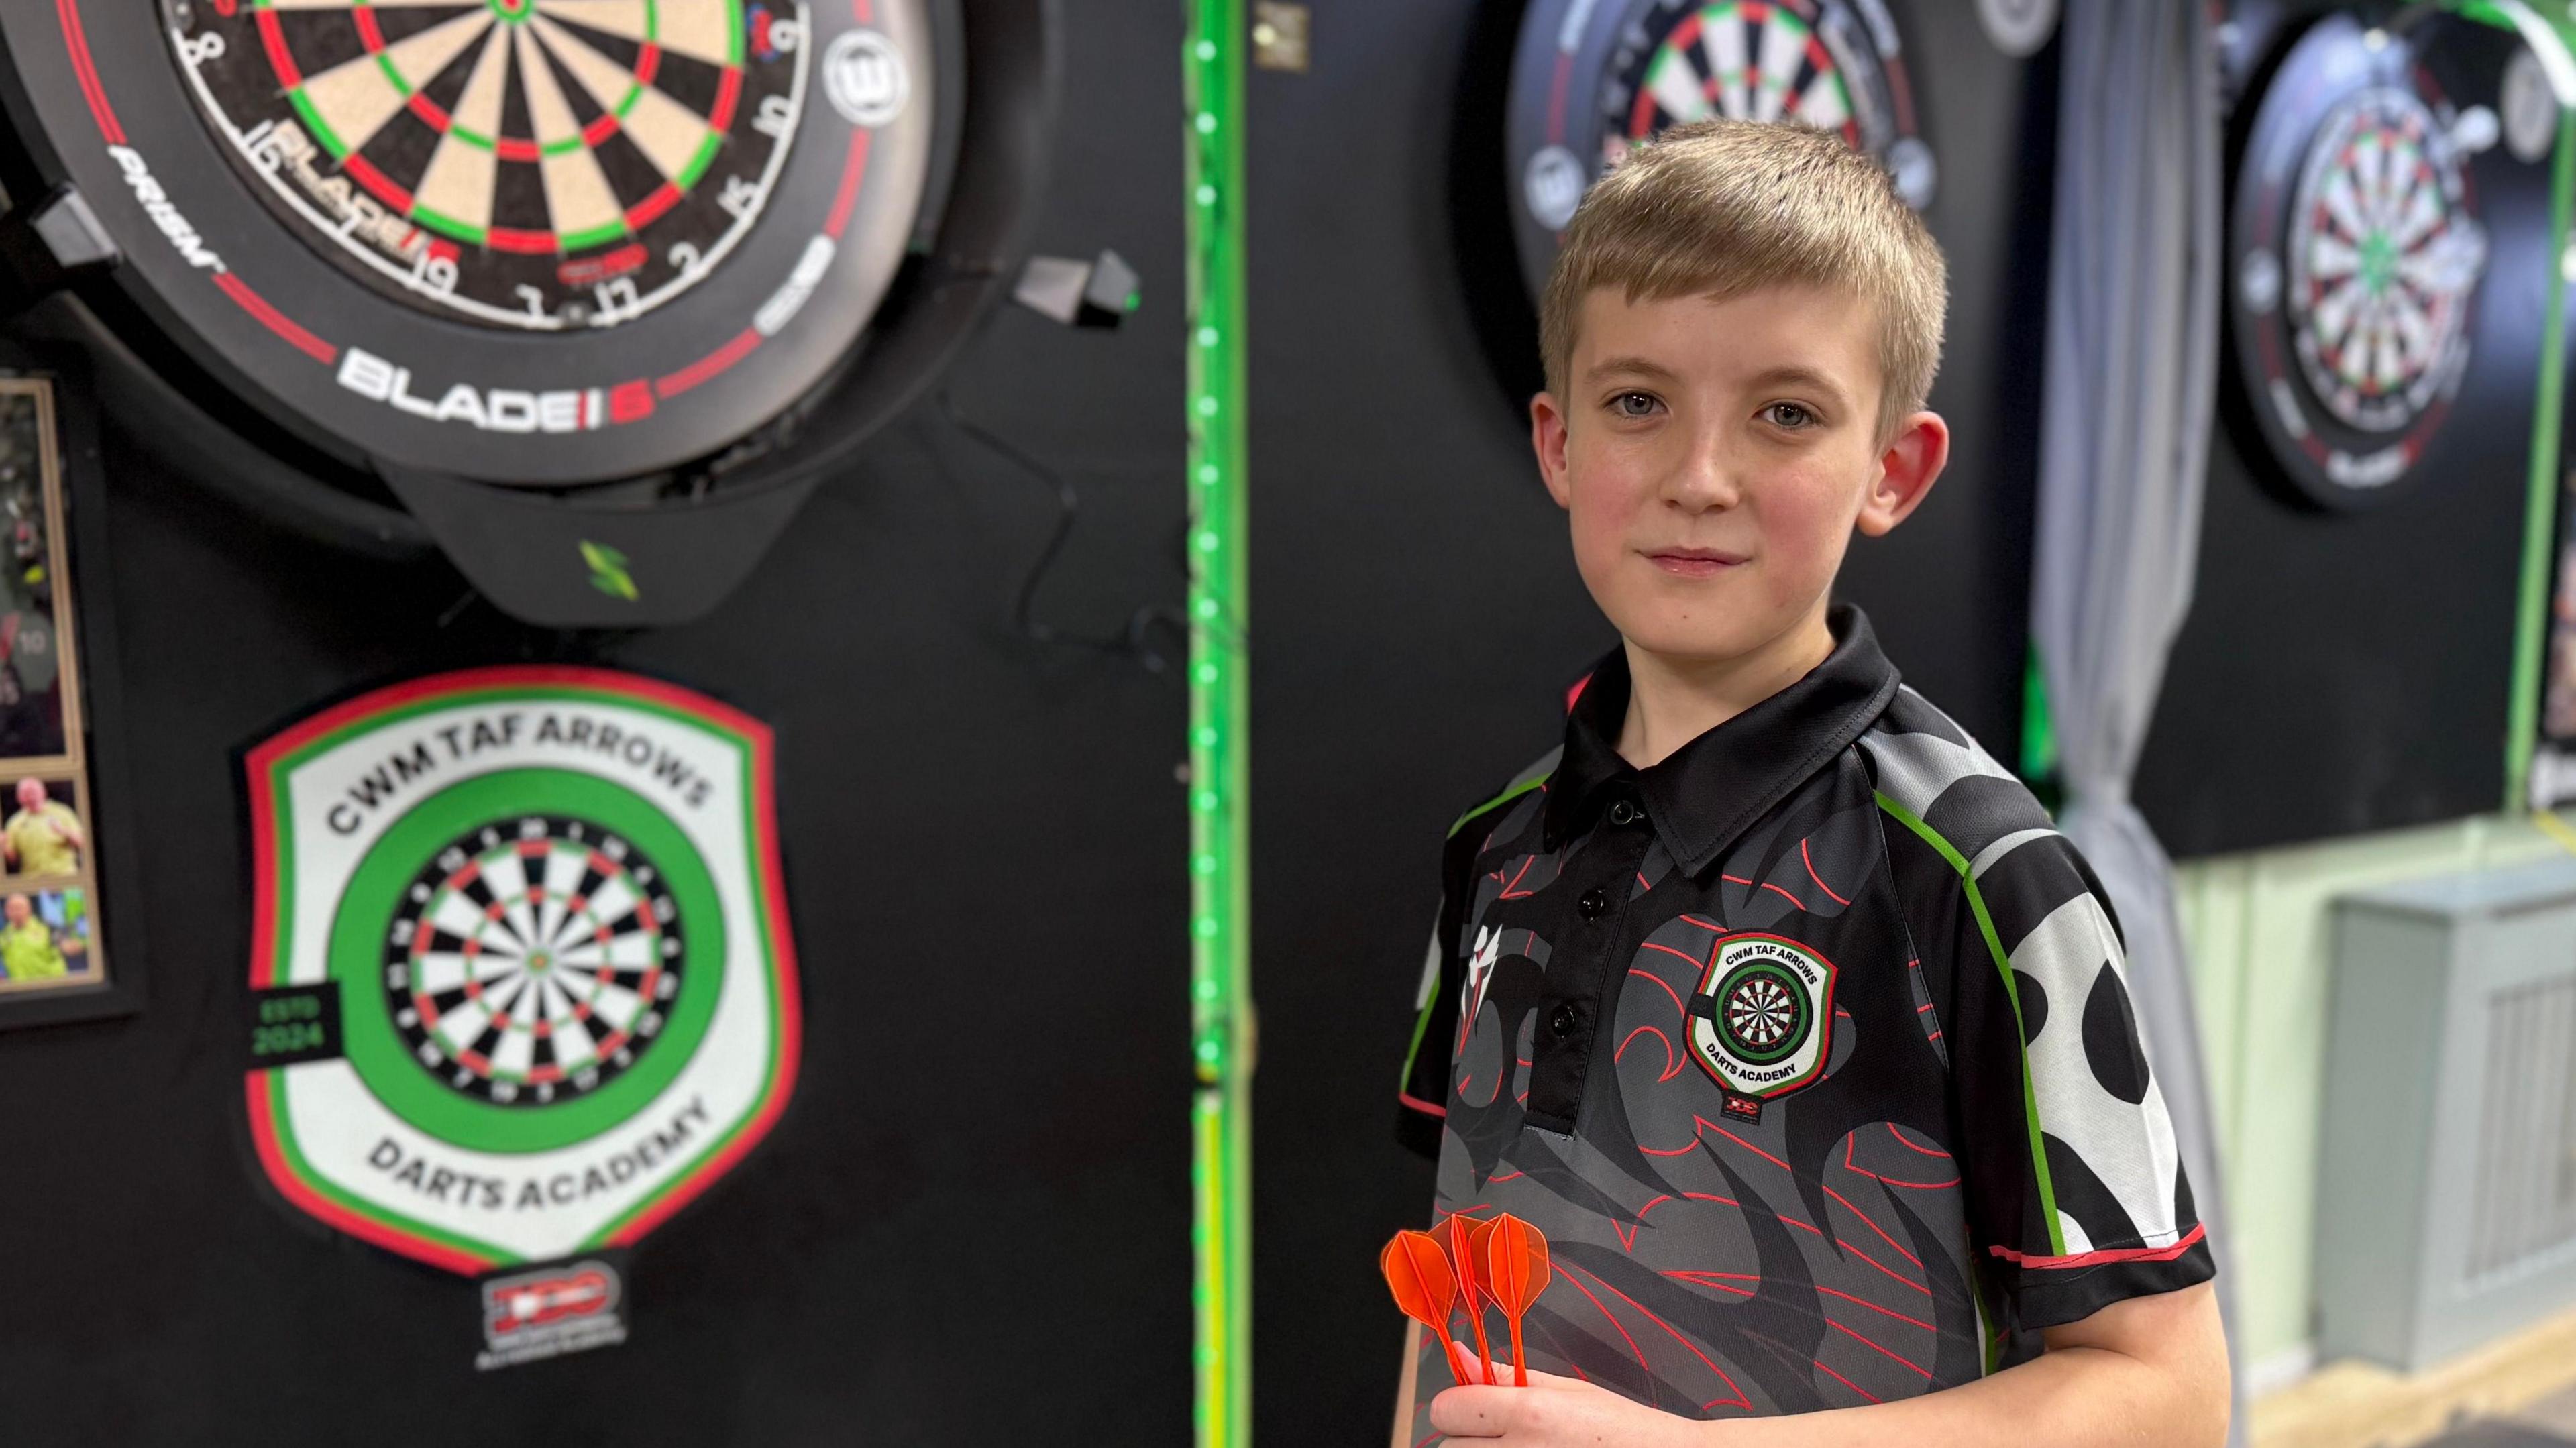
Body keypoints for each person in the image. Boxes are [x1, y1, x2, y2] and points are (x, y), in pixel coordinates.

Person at [1391, 121, 2225, 1446]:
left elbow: (2169, 1394)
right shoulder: (1496, 851)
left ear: (1892, 467)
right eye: (1637, 402)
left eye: (1785, 413)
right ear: (1559, 446)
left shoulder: (1984, 870)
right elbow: (1450, 1277)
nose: (1700, 478)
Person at [3, 775, 81, 879]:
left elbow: (82, 843)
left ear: (44, 792)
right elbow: (13, 860)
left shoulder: (63, 812)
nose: (31, 797)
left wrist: (64, 832)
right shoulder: (14, 823)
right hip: (33, 881)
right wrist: (3, 846)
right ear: (19, 798)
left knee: (76, 894)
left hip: (66, 877)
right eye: (26, 794)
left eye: (34, 792)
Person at [0, 892, 69, 983]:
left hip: (49, 985)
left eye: (20, 908)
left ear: (29, 909)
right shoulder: (4, 936)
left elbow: (61, 955)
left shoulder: (47, 929)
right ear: (6, 912)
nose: (16, 912)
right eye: (12, 909)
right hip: (21, 990)